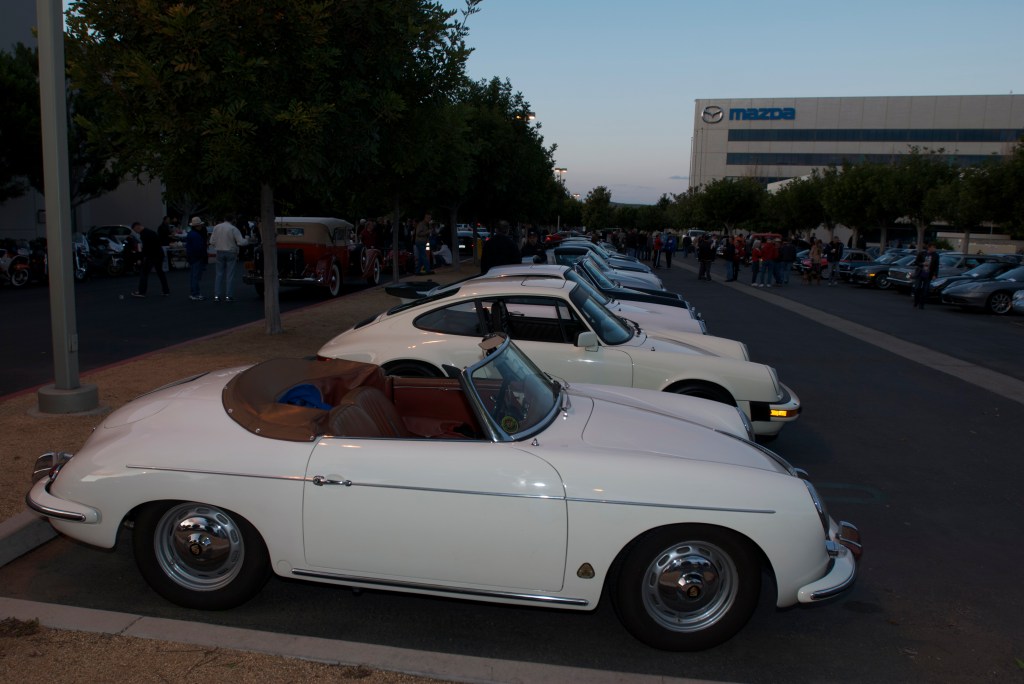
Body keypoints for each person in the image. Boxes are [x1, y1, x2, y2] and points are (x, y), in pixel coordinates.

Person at [209, 216, 247, 302]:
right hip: (231, 251)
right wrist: (247, 241)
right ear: (233, 220)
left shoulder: (217, 227)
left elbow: (211, 241)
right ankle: (228, 296)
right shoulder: (233, 229)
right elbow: (240, 242)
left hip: (219, 251)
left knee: (219, 274)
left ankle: (217, 295)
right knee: (230, 275)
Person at [130, 221, 169, 297]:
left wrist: (141, 258)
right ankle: (166, 290)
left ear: (137, 227)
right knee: (160, 273)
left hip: (151, 256)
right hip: (159, 254)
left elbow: (145, 248)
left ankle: (142, 291)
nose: (136, 232)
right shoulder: (151, 232)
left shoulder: (144, 234)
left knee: (144, 273)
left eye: (135, 230)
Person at [185, 217, 207, 301]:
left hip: (192, 257)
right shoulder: (196, 235)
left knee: (193, 276)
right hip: (197, 258)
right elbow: (198, 248)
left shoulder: (191, 234)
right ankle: (195, 293)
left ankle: (194, 293)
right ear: (197, 226)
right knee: (196, 276)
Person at [913, 243, 940, 309]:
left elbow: (936, 266)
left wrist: (935, 275)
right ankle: (916, 301)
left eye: (935, 248)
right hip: (920, 273)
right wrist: (922, 264)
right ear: (929, 248)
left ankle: (921, 304)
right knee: (917, 288)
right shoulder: (922, 253)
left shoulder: (936, 255)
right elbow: (916, 262)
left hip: (928, 274)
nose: (934, 249)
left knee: (925, 290)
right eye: (933, 247)